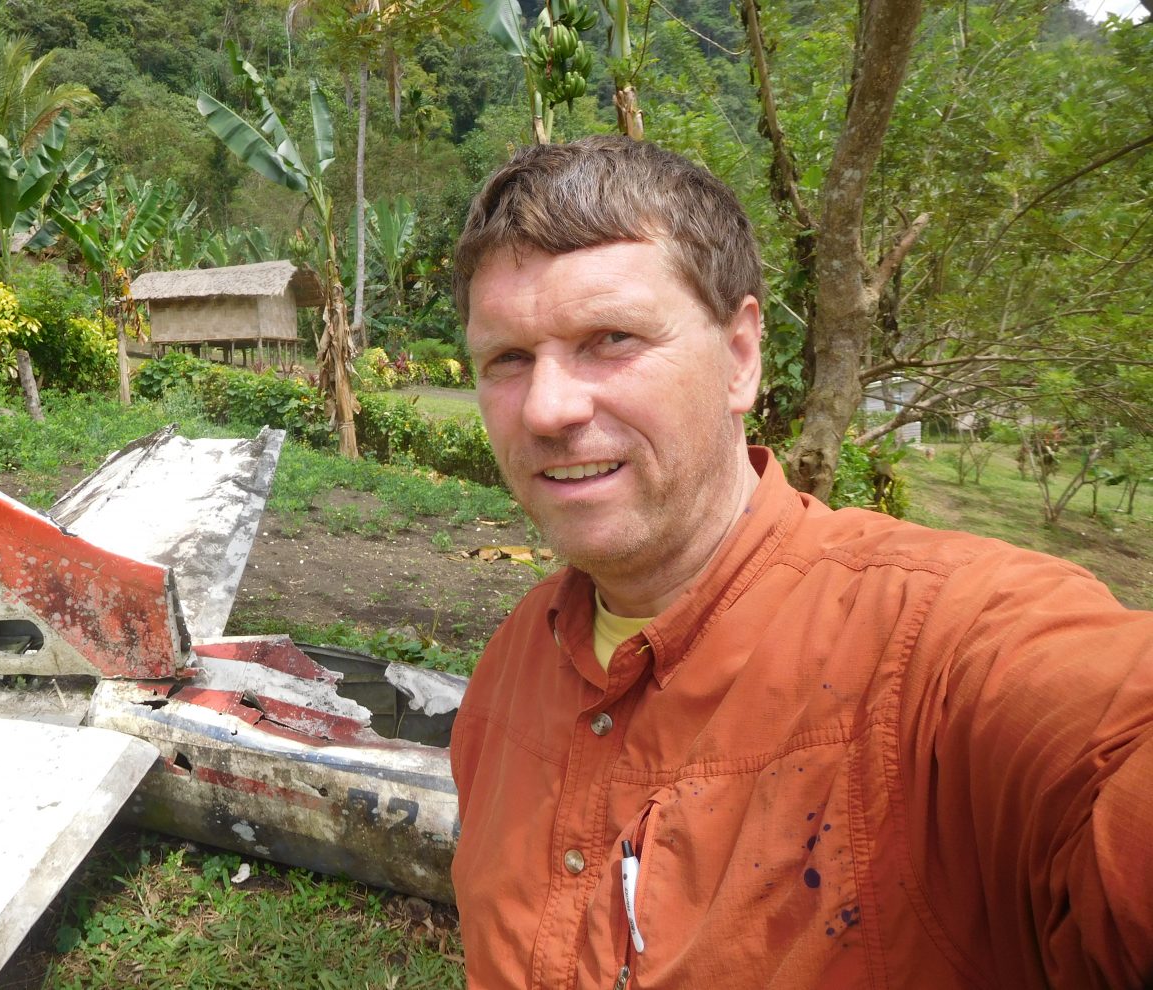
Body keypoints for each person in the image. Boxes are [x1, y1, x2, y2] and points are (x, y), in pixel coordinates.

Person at [447, 135, 1153, 990]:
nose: (549, 408)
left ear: (740, 355)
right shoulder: (515, 661)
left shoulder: (938, 646)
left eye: (611, 339)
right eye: (508, 360)